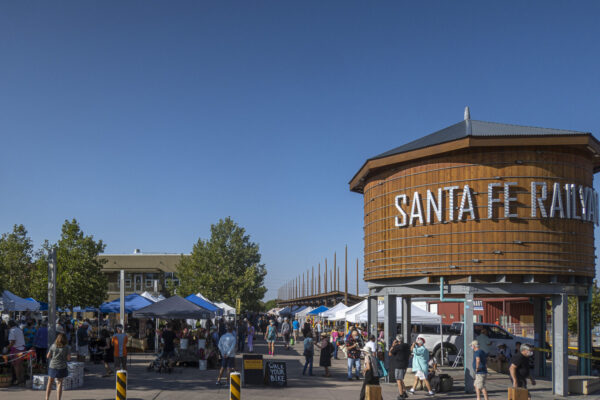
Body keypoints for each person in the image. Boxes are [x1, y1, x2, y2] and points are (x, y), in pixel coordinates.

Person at [45, 333, 71, 400]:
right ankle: (58, 399)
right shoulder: (66, 347)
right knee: (59, 383)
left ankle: (47, 398)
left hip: (53, 366)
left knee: (49, 382)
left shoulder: (53, 346)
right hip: (61, 366)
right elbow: (68, 359)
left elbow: (48, 356)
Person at [389, 334, 411, 400]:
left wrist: (393, 345)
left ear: (397, 340)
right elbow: (410, 353)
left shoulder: (397, 347)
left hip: (399, 365)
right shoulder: (407, 345)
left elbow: (390, 353)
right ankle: (404, 392)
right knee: (401, 379)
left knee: (398, 380)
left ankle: (401, 395)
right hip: (405, 364)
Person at [8, 320, 26, 385]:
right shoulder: (19, 330)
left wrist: (7, 348)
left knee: (16, 366)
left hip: (16, 349)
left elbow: (12, 342)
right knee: (21, 365)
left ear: (9, 325)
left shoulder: (12, 331)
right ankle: (22, 379)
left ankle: (19, 380)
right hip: (22, 348)